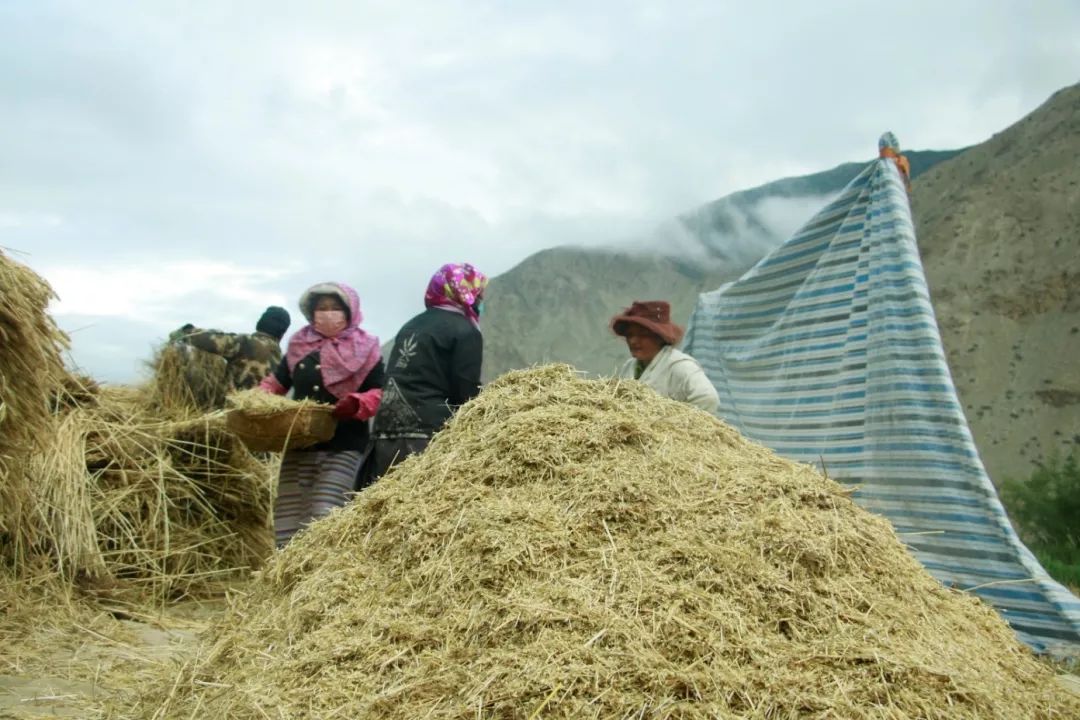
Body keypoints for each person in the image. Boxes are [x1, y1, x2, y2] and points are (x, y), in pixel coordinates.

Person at [258, 282, 383, 547]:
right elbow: (277, 383)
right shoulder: (300, 346)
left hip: (343, 447)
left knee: (324, 517)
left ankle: (320, 583)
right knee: (288, 523)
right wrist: (257, 399)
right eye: (321, 308)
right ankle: (288, 582)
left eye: (335, 308)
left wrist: (357, 403)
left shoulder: (367, 348)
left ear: (349, 312)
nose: (327, 314)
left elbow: (380, 392)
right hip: (300, 446)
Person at [366, 263, 487, 485]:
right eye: (478, 295)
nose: (479, 301)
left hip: (385, 432)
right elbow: (466, 390)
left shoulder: (411, 325)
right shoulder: (465, 331)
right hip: (429, 434)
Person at [611, 300, 719, 413]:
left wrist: (677, 426)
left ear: (659, 337)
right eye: (630, 335)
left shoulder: (679, 366)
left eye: (642, 334)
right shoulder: (629, 366)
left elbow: (708, 399)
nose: (633, 341)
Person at [169, 306, 291, 392]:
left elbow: (211, 340)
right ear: (282, 334)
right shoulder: (280, 359)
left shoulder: (245, 342)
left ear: (260, 323)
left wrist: (186, 332)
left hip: (236, 417)